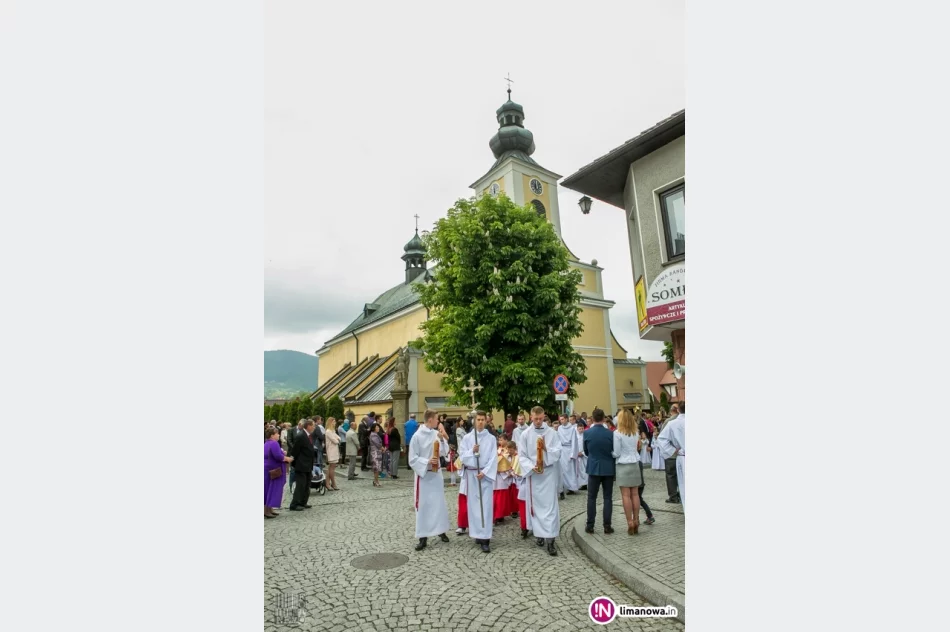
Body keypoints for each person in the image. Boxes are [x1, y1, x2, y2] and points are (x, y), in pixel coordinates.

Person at [518, 405, 561, 556]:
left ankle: (551, 540)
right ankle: (540, 534)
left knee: (549, 507)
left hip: (548, 474)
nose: (537, 421)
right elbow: (522, 456)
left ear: (544, 417)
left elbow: (557, 452)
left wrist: (546, 450)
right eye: (535, 419)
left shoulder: (551, 433)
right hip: (535, 475)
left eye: (540, 418)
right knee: (536, 508)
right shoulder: (525, 434)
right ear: (531, 417)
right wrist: (531, 466)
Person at [459, 410, 498, 553]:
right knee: (474, 506)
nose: (480, 422)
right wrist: (471, 451)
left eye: (483, 419)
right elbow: (462, 457)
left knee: (485, 506)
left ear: (486, 421)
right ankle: (477, 533)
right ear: (474, 421)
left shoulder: (491, 439)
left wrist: (485, 472)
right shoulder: (467, 438)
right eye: (478, 419)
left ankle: (485, 538)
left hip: (484, 475)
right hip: (472, 475)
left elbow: (494, 458)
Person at [583, 408, 616, 535]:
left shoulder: (587, 433)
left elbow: (586, 451)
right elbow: (613, 450)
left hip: (593, 467)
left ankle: (590, 525)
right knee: (607, 498)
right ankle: (607, 525)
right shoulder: (610, 433)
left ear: (592, 417)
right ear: (603, 419)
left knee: (591, 498)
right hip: (608, 467)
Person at [613, 409, 643, 535]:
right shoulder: (635, 432)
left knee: (625, 495)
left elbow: (617, 452)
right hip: (634, 463)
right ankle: (636, 520)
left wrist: (611, 453)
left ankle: (629, 522)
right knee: (635, 494)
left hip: (623, 465)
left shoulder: (617, 433)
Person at [656, 402, 686, 512]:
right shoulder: (672, 423)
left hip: (682, 457)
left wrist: (672, 450)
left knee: (684, 485)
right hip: (682, 456)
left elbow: (661, 439)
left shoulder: (672, 424)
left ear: (678, 410)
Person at [265, 427, 293, 518]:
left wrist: (282, 453)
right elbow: (277, 456)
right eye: (277, 433)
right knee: (272, 490)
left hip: (268, 469)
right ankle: (266, 510)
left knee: (268, 489)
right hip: (274, 470)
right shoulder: (274, 443)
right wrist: (287, 459)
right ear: (272, 435)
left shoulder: (266, 443)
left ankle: (270, 509)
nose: (279, 435)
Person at [288, 420, 316, 511]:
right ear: (308, 426)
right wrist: (293, 463)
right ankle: (295, 504)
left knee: (307, 484)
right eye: (313, 426)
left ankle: (303, 502)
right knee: (301, 485)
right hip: (301, 464)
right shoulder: (300, 436)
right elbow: (295, 450)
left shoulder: (308, 435)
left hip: (308, 464)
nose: (314, 427)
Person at [556, 414, 581, 499]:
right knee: (562, 470)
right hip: (562, 449)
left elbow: (574, 441)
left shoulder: (572, 429)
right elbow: (558, 440)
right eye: (560, 419)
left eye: (562, 419)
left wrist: (572, 454)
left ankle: (572, 487)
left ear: (566, 419)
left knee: (570, 470)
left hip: (569, 449)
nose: (561, 421)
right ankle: (564, 487)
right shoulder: (559, 428)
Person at [662, 404, 681, 503]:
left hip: (671, 454)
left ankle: (673, 496)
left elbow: (662, 437)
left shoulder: (668, 421)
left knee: (671, 475)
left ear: (671, 411)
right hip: (682, 453)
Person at [493, 437, 513, 526]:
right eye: (499, 440)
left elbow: (510, 463)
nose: (500, 441)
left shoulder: (507, 452)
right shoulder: (496, 451)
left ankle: (500, 515)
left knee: (501, 498)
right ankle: (496, 515)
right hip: (495, 476)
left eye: (501, 440)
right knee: (495, 497)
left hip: (502, 476)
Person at [324, 417, 341, 491]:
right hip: (331, 451)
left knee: (331, 468)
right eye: (334, 422)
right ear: (330, 422)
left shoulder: (333, 431)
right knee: (332, 467)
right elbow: (335, 441)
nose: (335, 423)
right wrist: (337, 439)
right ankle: (333, 483)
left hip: (334, 450)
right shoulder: (328, 431)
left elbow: (339, 438)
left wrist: (337, 439)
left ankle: (327, 483)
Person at [369, 422, 384, 487]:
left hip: (377, 452)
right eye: (377, 427)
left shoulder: (375, 434)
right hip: (375, 453)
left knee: (377, 468)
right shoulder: (373, 435)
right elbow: (377, 444)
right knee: (376, 468)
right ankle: (376, 481)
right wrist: (382, 448)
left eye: (378, 427)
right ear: (374, 428)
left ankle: (375, 480)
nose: (378, 428)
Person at [576, 420, 589, 490]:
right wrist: (577, 453)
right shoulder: (576, 436)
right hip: (578, 455)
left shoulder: (586, 436)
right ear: (577, 429)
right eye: (579, 429)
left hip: (584, 455)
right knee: (580, 470)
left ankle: (586, 483)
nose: (581, 430)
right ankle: (581, 483)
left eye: (582, 429)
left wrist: (583, 453)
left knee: (585, 469)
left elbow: (587, 445)